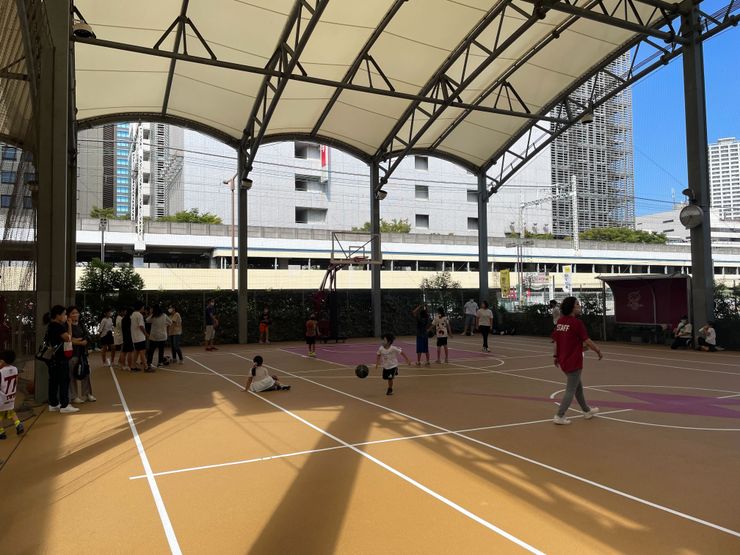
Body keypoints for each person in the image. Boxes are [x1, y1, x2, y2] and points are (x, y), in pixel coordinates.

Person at [551, 296, 602, 425]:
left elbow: (556, 341)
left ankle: (586, 411)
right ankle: (559, 415)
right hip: (574, 361)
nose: (579, 306)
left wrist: (556, 356)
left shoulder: (560, 322)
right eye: (577, 304)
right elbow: (587, 340)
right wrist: (597, 350)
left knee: (578, 387)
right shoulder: (576, 323)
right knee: (571, 390)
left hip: (564, 360)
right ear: (572, 308)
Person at [44, 305, 78, 413]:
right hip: (60, 358)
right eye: (64, 314)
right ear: (58, 315)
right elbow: (68, 338)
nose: (65, 316)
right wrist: (69, 325)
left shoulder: (50, 326)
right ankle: (64, 405)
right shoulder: (58, 326)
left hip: (52, 358)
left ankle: (53, 404)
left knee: (53, 381)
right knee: (64, 380)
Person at [67, 306, 95, 404]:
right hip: (73, 354)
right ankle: (74, 396)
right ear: (69, 315)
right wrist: (79, 341)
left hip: (82, 354)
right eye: (73, 313)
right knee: (72, 374)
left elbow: (87, 336)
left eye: (76, 313)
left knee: (85, 372)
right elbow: (69, 340)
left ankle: (87, 394)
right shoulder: (67, 326)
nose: (75, 315)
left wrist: (80, 340)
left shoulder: (81, 324)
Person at [0, 350, 24, 439]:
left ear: (3, 361)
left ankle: (1, 432)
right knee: (10, 411)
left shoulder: (1, 371)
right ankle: (18, 424)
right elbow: (16, 382)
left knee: (0, 414)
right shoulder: (15, 369)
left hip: (2, 397)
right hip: (11, 395)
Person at [146, 305, 171, 370]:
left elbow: (147, 320)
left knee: (151, 350)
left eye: (152, 309)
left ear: (154, 310)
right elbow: (170, 322)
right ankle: (160, 363)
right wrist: (165, 323)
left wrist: (151, 314)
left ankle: (149, 363)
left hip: (154, 336)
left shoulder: (153, 316)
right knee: (161, 350)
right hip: (163, 336)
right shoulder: (164, 315)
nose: (151, 310)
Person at [130, 302, 148, 371]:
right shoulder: (139, 315)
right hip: (140, 337)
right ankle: (146, 367)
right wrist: (146, 334)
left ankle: (133, 366)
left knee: (136, 352)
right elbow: (141, 326)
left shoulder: (133, 314)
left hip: (135, 337)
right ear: (140, 307)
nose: (143, 308)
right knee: (142, 352)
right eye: (143, 307)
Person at [119, 307, 134, 371]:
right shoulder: (130, 319)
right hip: (130, 337)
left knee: (124, 352)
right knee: (130, 352)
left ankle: (123, 366)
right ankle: (129, 366)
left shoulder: (123, 319)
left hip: (125, 337)